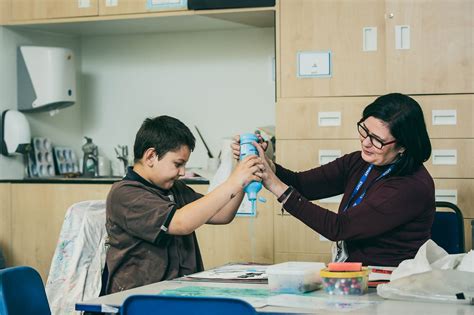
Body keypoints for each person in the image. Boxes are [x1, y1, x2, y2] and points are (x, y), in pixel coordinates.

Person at [232, 93, 434, 267]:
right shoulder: (360, 161)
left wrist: (274, 184)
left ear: (403, 146)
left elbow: (339, 228)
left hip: (390, 280)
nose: (365, 142)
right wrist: (266, 163)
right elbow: (303, 184)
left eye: (377, 140)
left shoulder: (410, 186)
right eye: (364, 130)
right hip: (355, 272)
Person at [106, 115, 264, 293]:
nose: (182, 172)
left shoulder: (175, 189)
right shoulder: (126, 194)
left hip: (180, 292)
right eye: (178, 164)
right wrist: (234, 181)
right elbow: (180, 223)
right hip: (140, 298)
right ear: (150, 156)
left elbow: (223, 213)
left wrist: (243, 171)